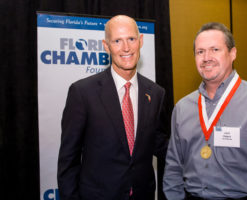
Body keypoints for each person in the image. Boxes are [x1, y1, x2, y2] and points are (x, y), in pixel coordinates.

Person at [163, 22, 247, 200]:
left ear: (232, 53)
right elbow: (173, 168)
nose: (206, 57)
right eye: (200, 52)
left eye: (215, 49)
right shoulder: (182, 108)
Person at [57, 15, 168, 200]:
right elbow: (68, 160)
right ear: (106, 46)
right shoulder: (82, 93)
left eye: (131, 39)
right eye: (117, 41)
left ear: (140, 41)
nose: (126, 48)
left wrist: (195, 151)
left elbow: (158, 143)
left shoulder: (156, 93)